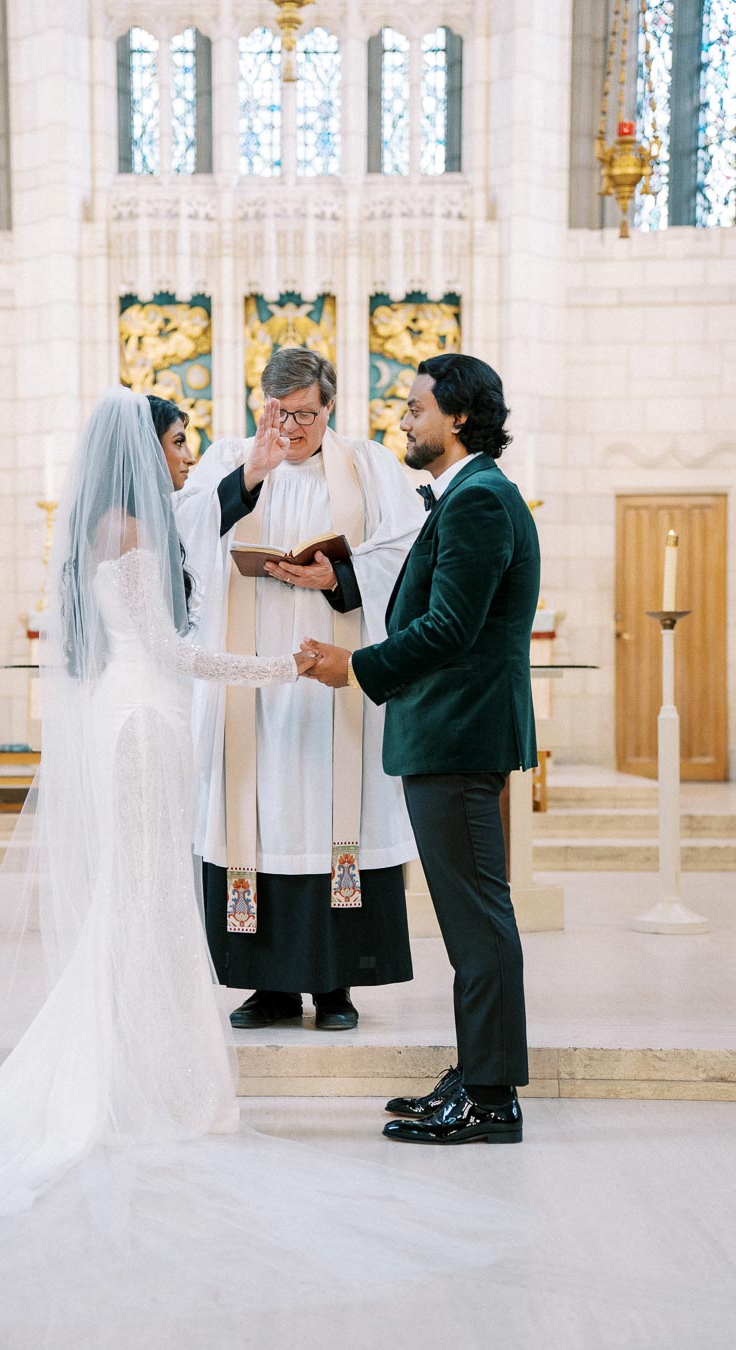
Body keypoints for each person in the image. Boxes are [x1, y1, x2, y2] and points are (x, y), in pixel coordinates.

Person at [0, 388, 312, 1238]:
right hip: (143, 724)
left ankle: (144, 1074)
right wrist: (278, 669)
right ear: (141, 450)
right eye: (175, 443)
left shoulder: (122, 527)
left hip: (137, 718)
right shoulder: (128, 533)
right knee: (146, 903)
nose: (181, 457)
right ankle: (138, 1084)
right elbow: (169, 652)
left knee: (143, 902)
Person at [302, 353, 540, 1144]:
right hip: (447, 730)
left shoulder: (478, 502)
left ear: (459, 418)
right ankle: (477, 1072)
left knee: (477, 922)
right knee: (470, 919)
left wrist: (356, 667)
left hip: (458, 733)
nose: (404, 419)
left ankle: (491, 1095)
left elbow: (450, 628)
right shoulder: (470, 496)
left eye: (415, 407)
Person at [174, 348, 425, 1031]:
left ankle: (336, 987)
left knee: (330, 822)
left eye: (306, 415)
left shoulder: (367, 465)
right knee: (256, 823)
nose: (292, 428)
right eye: (280, 414)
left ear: (330, 407)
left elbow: (408, 555)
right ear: (263, 405)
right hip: (247, 688)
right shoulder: (232, 456)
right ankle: (268, 987)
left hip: (332, 685)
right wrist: (250, 474)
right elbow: (183, 538)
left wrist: (336, 579)